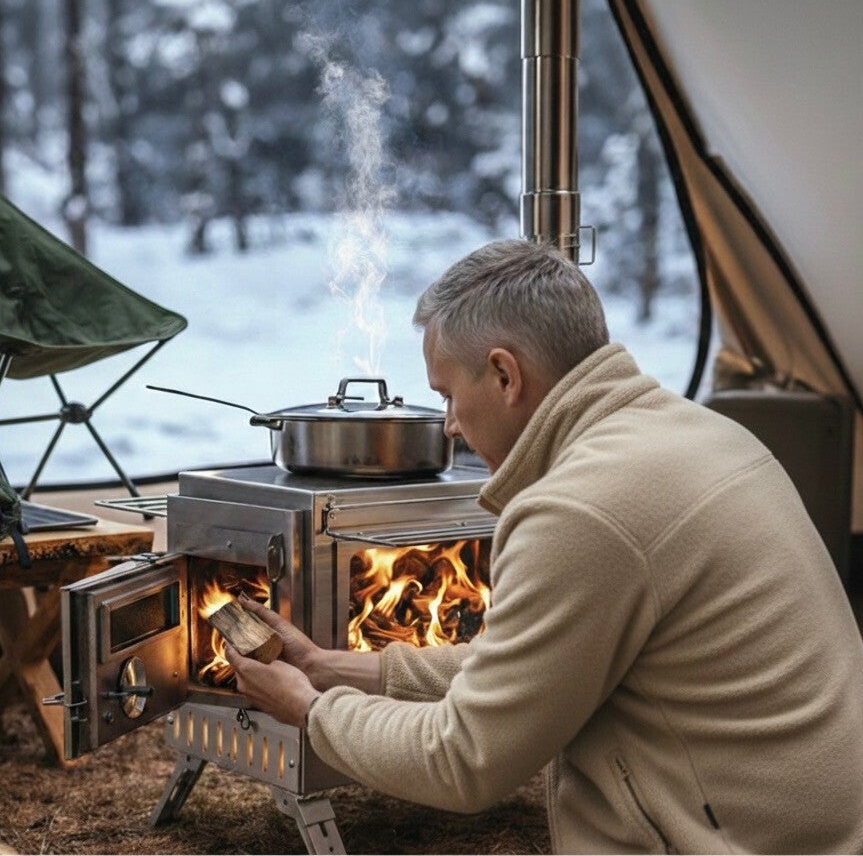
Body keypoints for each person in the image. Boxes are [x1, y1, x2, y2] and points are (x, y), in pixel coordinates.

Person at [225, 239, 863, 854]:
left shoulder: (581, 508)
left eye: (448, 396)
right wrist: (333, 668)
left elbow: (463, 759)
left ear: (505, 375)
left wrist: (311, 709)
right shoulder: (701, 432)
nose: (449, 425)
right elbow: (524, 663)